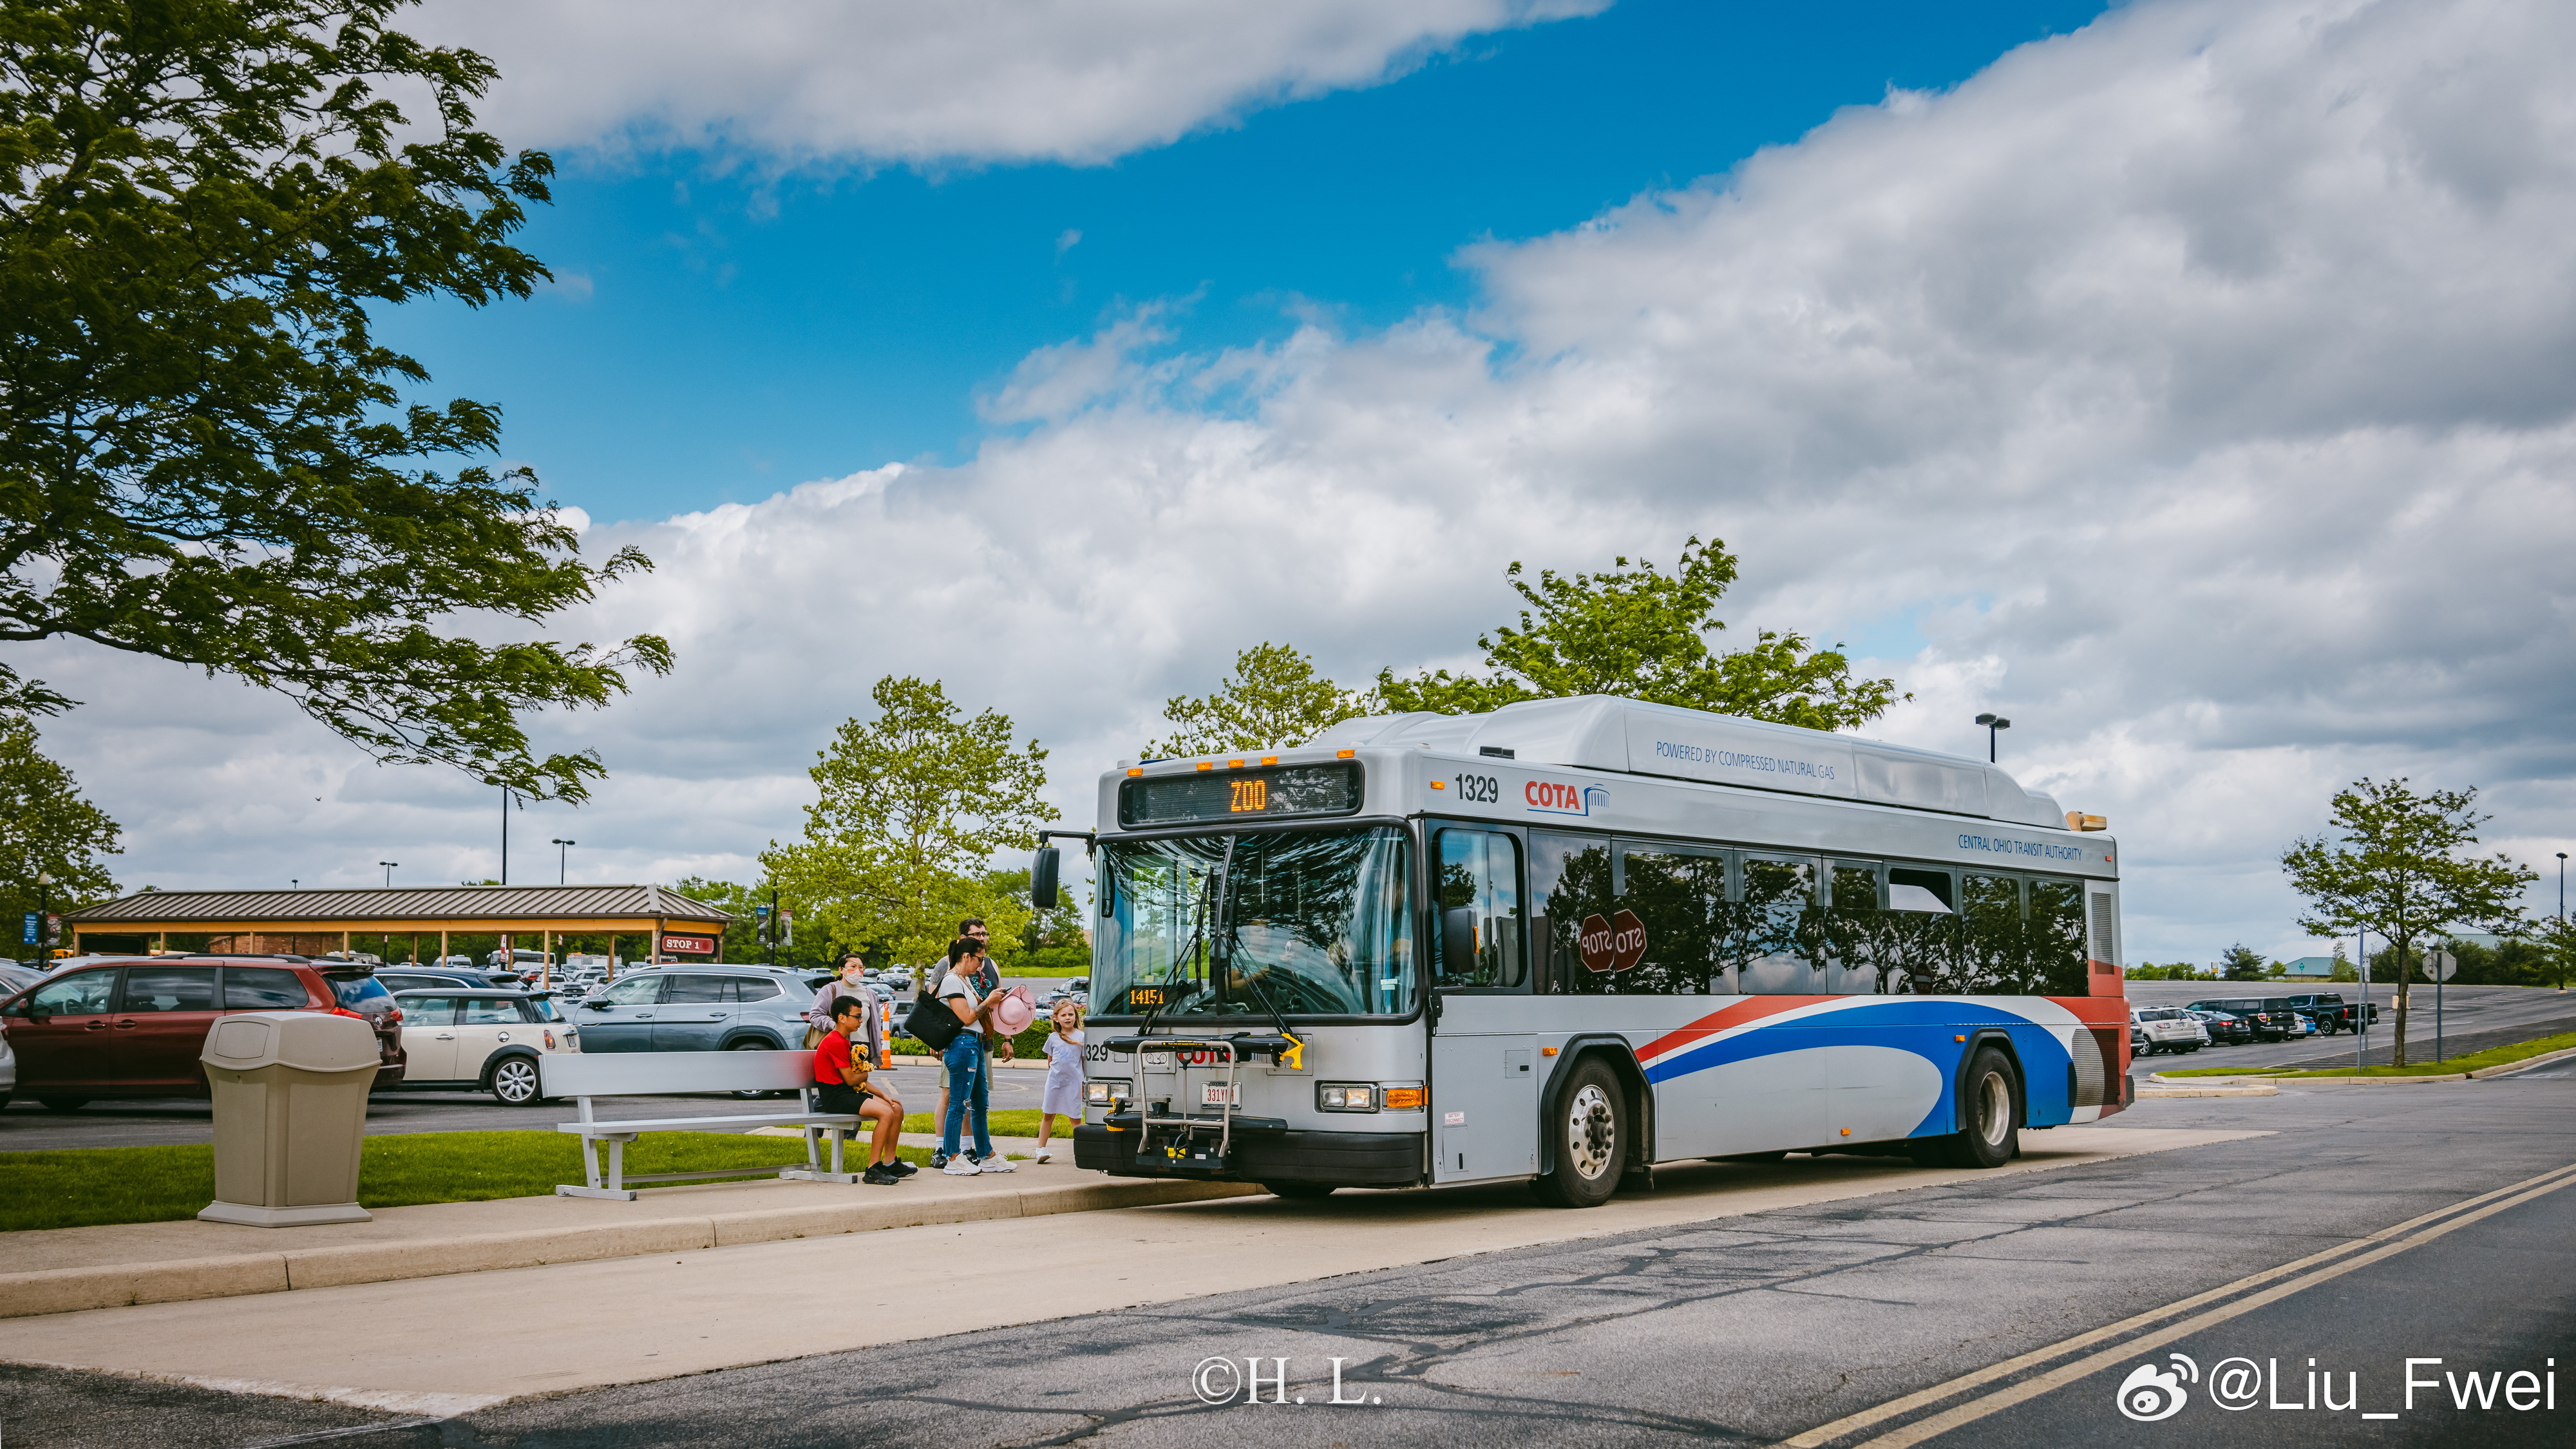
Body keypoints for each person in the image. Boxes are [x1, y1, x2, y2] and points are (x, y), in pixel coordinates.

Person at [933, 936, 1017, 1175]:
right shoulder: (951, 980)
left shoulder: (965, 981)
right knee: (959, 1103)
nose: (981, 965)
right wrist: (988, 1001)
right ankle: (952, 1157)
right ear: (966, 956)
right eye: (979, 959)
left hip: (976, 1044)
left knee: (980, 1103)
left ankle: (986, 1155)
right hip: (962, 1044)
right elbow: (967, 1017)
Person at [813, 994, 911, 1184]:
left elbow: (857, 1081)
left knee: (896, 1108)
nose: (861, 1021)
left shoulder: (843, 1040)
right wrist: (866, 1073)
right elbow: (852, 1079)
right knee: (886, 1113)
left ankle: (890, 1163)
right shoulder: (835, 1042)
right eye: (857, 1016)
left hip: (847, 1093)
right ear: (842, 1018)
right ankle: (873, 1168)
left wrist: (884, 1094)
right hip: (835, 1098)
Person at [1035, 999, 1084, 1163]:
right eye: (1063, 1015)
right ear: (1056, 1018)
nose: (1068, 1018)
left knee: (1076, 1118)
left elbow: (1084, 1063)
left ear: (1076, 1017)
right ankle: (1041, 1149)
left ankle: (1081, 1151)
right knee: (1048, 1115)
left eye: (1071, 1014)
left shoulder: (1082, 1037)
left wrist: (1084, 1084)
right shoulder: (1053, 1038)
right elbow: (1050, 1062)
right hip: (1055, 1084)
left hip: (1074, 1084)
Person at [806, 956, 870, 1050]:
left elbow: (874, 1025)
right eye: (853, 966)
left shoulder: (870, 993)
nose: (857, 971)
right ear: (841, 970)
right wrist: (834, 1026)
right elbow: (815, 1015)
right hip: (838, 1045)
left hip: (864, 1047)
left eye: (861, 967)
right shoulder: (830, 990)